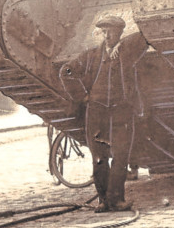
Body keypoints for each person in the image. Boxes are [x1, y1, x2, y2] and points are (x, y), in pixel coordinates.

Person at [59, 16, 148, 212]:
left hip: (121, 109)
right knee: (99, 157)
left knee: (121, 155)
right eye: (104, 31)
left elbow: (147, 34)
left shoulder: (129, 51)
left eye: (112, 32)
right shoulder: (91, 56)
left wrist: (122, 45)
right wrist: (81, 96)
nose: (107, 36)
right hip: (96, 111)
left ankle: (116, 199)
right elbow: (66, 71)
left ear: (120, 32)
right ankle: (103, 201)